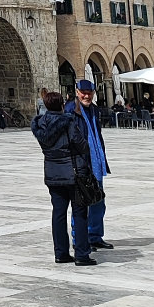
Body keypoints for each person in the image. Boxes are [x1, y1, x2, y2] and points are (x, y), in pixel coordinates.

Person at [31, 89, 98, 266]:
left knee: (58, 214)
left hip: (53, 174)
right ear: (61, 104)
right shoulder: (68, 123)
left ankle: (61, 253)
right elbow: (82, 145)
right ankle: (82, 255)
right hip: (73, 174)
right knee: (80, 213)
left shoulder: (39, 126)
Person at [65, 80, 114, 251]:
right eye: (83, 92)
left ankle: (95, 236)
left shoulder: (94, 110)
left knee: (98, 201)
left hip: (96, 163)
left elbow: (97, 135)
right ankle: (79, 238)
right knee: (81, 203)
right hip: (81, 164)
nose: (86, 96)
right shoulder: (72, 110)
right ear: (77, 91)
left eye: (89, 92)